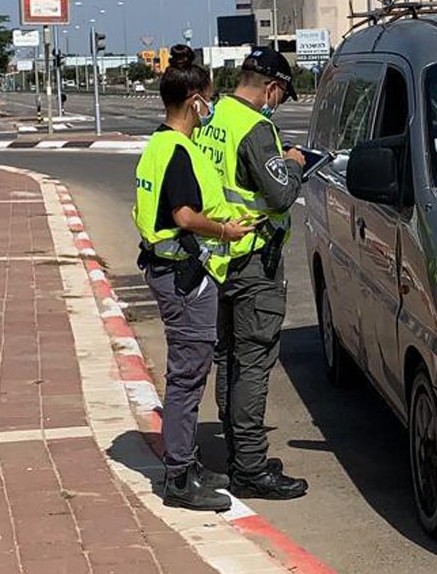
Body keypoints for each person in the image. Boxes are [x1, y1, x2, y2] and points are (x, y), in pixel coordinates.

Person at [132, 44, 256, 512]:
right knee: (187, 378)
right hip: (183, 276)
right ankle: (179, 477)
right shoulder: (180, 151)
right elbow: (184, 215)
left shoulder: (157, 146)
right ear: (195, 102)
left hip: (166, 269)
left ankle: (187, 462)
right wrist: (226, 229)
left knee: (187, 373)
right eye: (210, 98)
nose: (211, 107)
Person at [192, 46, 309, 500]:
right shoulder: (256, 128)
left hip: (215, 253)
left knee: (228, 358)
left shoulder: (213, 116)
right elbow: (280, 196)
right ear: (273, 87)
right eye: (282, 95)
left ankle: (238, 454)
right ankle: (252, 468)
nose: (279, 103)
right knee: (254, 361)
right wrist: (296, 164)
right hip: (253, 259)